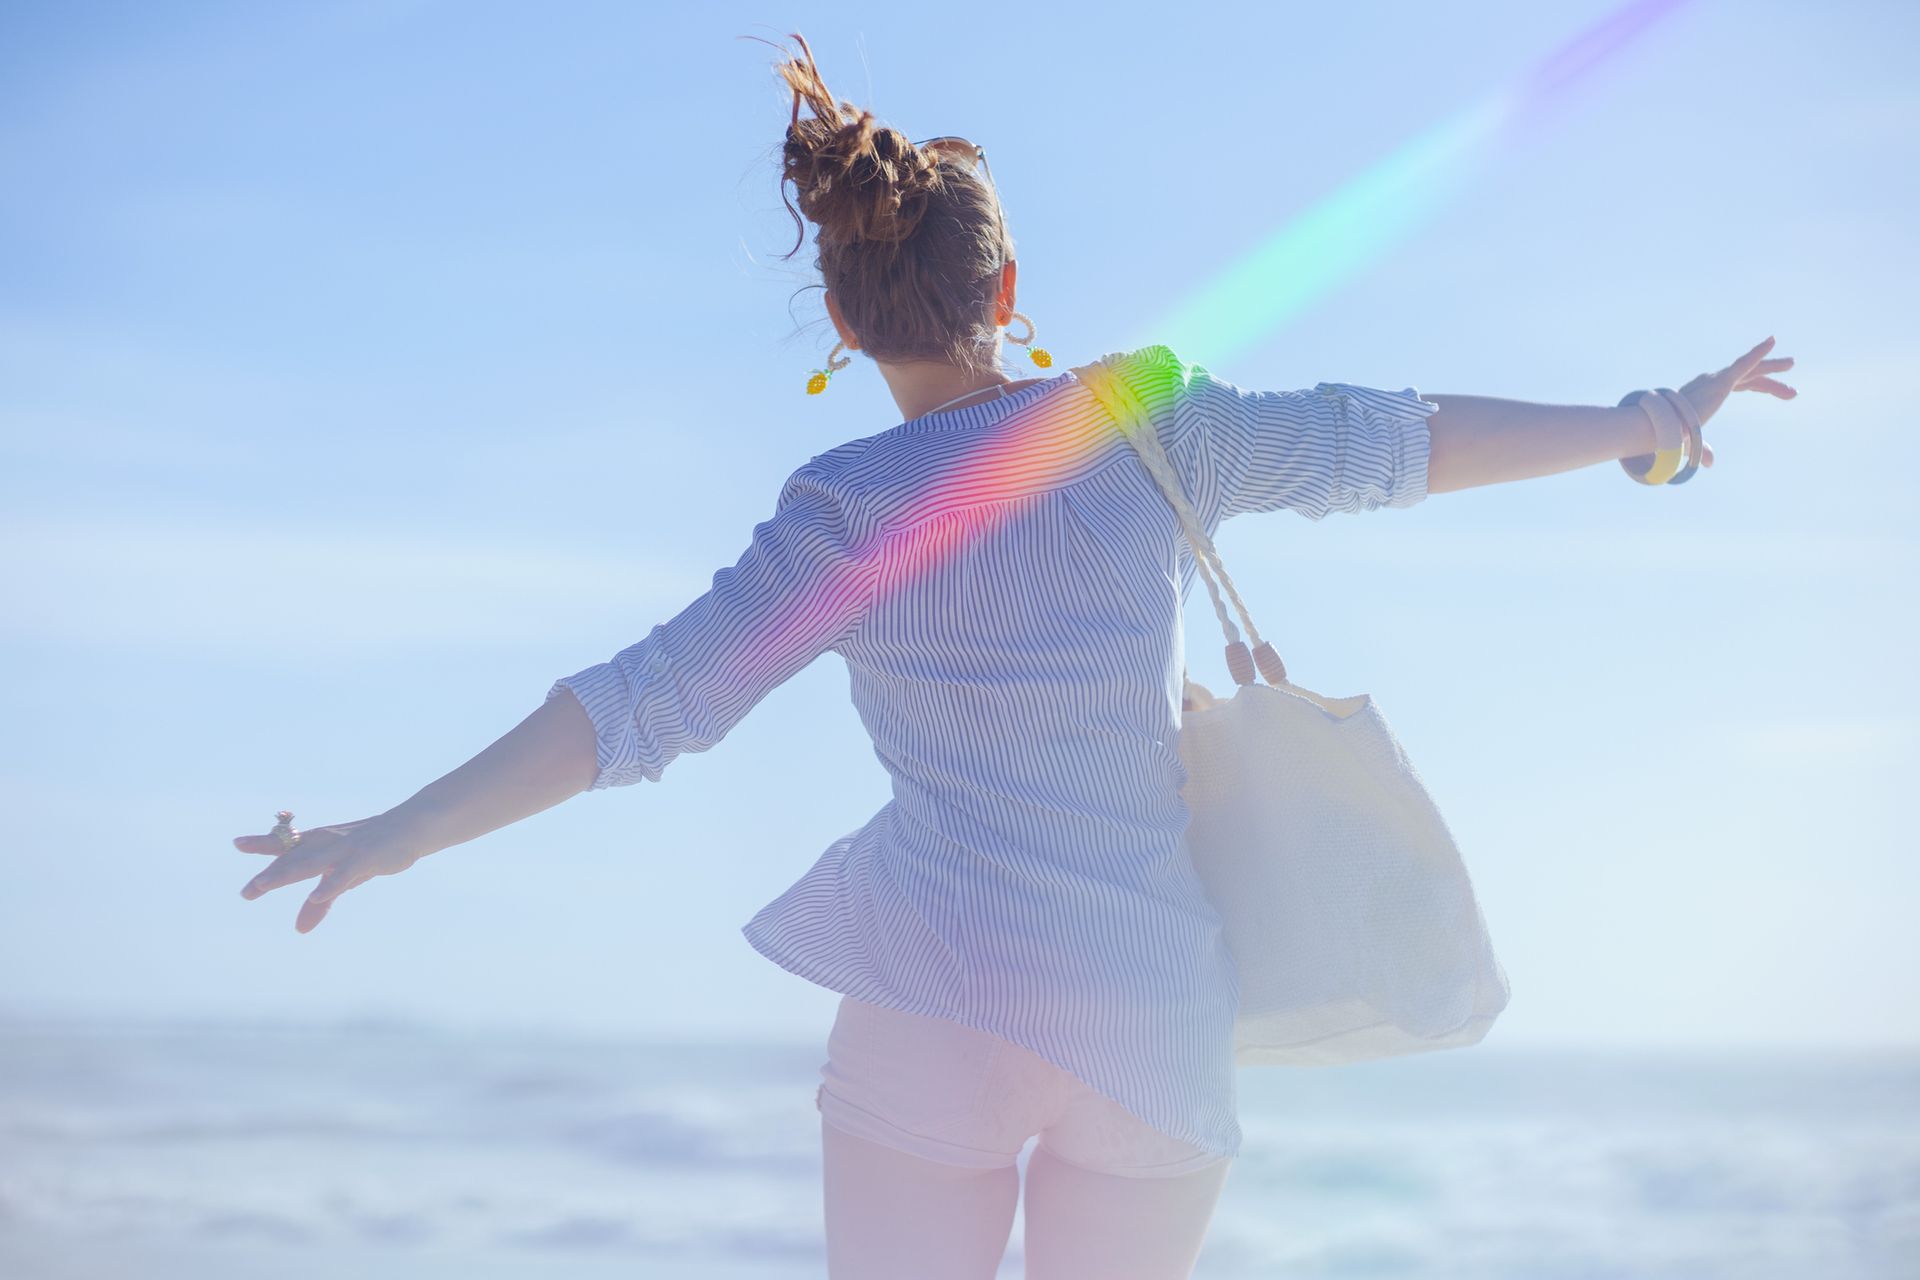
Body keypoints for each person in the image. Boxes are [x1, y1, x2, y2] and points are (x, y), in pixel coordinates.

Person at [230, 31, 1797, 1280]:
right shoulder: (1148, 428)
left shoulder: (845, 510)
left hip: (937, 994)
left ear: (843, 319)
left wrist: (400, 830)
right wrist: (1650, 429)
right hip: (1148, 1028)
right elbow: (1400, 444)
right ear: (1011, 294)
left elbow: (640, 707)